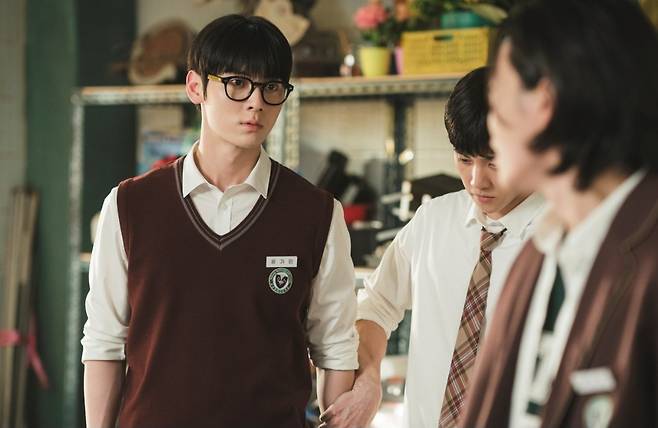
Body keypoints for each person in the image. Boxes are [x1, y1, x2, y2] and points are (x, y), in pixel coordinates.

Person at [81, 14, 357, 428]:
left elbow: (335, 348)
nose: (256, 103)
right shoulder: (128, 205)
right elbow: (105, 342)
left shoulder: (317, 213)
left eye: (272, 87)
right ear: (196, 87)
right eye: (237, 83)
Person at [461, 1, 658, 427]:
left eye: (496, 100)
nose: (491, 123)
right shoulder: (540, 253)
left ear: (543, 101)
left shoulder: (648, 257)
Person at [319, 67, 544, 428]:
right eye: (464, 159)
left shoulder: (561, 238)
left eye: (494, 161)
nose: (477, 180)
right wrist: (369, 376)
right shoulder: (434, 220)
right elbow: (376, 304)